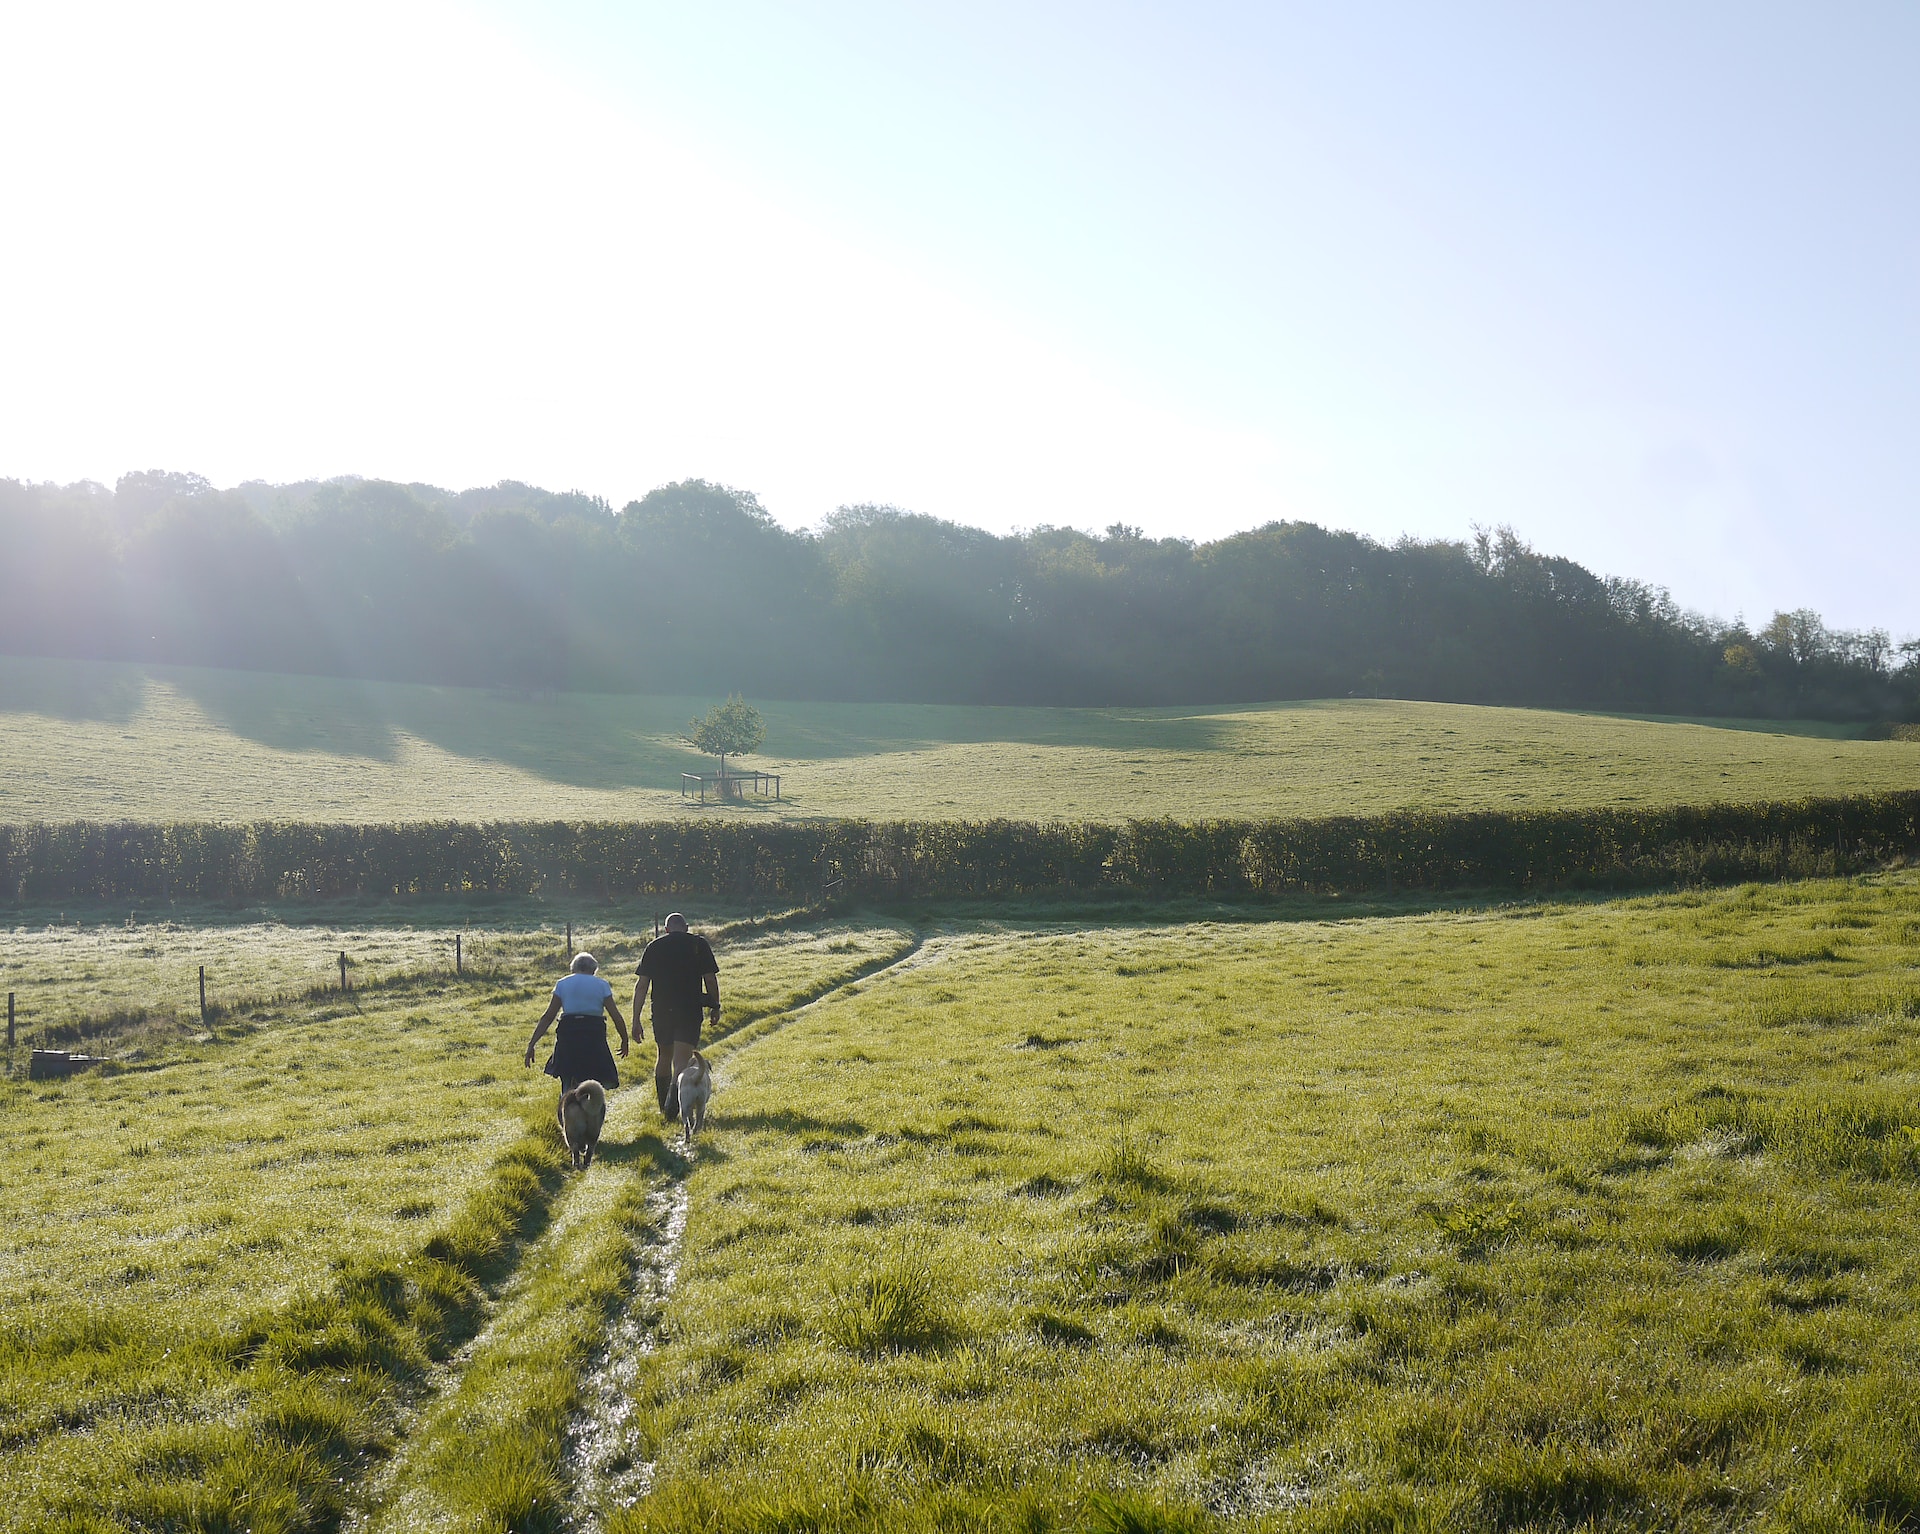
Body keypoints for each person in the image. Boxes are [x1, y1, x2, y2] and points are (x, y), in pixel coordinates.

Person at [634, 913, 719, 1117]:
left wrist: (635, 1019)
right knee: (681, 1060)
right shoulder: (698, 945)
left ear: (666, 930)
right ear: (686, 927)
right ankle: (674, 1106)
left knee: (663, 1056)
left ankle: (664, 1106)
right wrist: (715, 1006)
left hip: (662, 1009)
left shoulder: (654, 947)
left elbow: (641, 986)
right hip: (689, 1009)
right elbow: (710, 979)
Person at [526, 951, 630, 1096]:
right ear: (594, 970)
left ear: (573, 968)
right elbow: (616, 1016)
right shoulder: (602, 985)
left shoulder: (562, 983)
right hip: (593, 1036)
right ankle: (592, 1109)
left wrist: (532, 1044)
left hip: (568, 1035)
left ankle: (567, 1110)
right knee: (594, 1079)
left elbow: (548, 1016)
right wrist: (624, 1039)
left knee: (567, 1080)